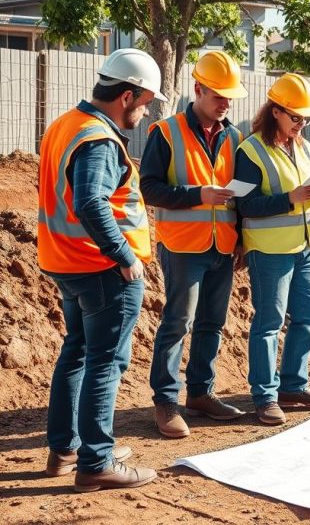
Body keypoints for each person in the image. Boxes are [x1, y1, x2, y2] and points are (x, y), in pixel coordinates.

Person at [37, 48, 167, 491]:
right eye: (145, 101)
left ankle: (66, 449)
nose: (146, 110)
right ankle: (97, 461)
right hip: (101, 269)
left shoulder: (66, 125)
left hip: (68, 263)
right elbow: (91, 201)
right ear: (126, 96)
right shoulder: (98, 138)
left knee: (76, 354)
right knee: (104, 363)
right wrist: (125, 256)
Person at [140, 51, 249, 438]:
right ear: (197, 89)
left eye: (229, 97)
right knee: (177, 322)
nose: (225, 103)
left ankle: (201, 393)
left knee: (212, 323)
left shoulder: (235, 137)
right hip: (183, 245)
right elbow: (149, 188)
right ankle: (166, 401)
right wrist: (198, 194)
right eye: (218, 95)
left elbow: (240, 196)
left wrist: (241, 239)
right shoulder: (165, 133)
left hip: (223, 245)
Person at [234, 72, 310, 425]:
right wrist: (290, 198)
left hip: (306, 246)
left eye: (306, 117)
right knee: (269, 323)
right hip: (269, 249)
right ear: (275, 111)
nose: (302, 123)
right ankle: (264, 396)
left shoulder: (306, 148)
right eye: (296, 117)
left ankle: (293, 385)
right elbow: (245, 206)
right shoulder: (250, 150)